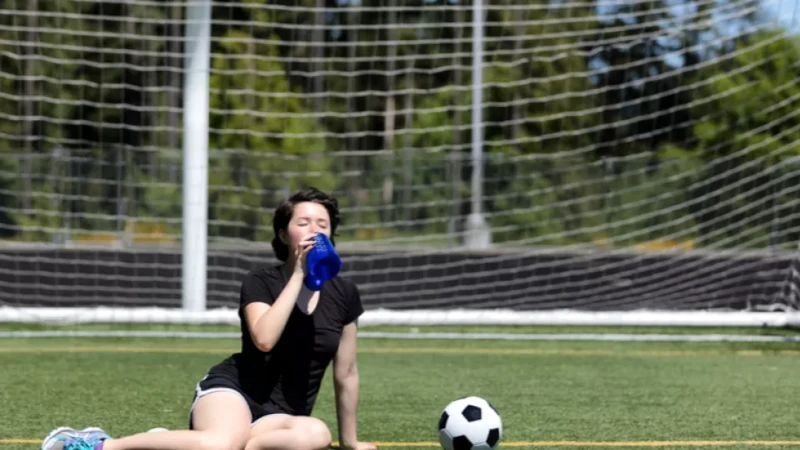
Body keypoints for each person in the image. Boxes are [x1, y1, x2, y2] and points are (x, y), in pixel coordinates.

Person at [42, 188, 377, 450]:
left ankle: (177, 443)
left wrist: (350, 443)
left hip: (282, 416)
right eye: (302, 223)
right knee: (220, 443)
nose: (313, 230)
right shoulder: (260, 281)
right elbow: (264, 338)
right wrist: (298, 276)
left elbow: (346, 372)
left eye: (322, 224)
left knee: (317, 434)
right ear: (282, 234)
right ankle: (98, 444)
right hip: (234, 392)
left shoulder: (345, 293)